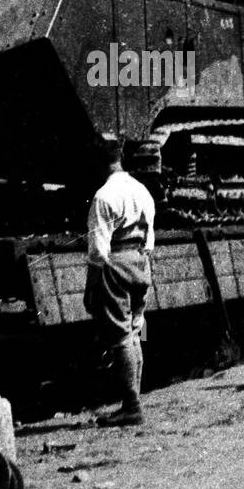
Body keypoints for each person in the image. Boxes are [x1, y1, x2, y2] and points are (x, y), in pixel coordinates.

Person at [83, 135, 156, 427]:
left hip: (116, 264)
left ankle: (131, 406)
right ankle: (134, 401)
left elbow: (99, 251)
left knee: (120, 336)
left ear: (99, 161)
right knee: (135, 330)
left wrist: (91, 287)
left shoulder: (103, 196)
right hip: (141, 261)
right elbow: (150, 239)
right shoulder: (142, 190)